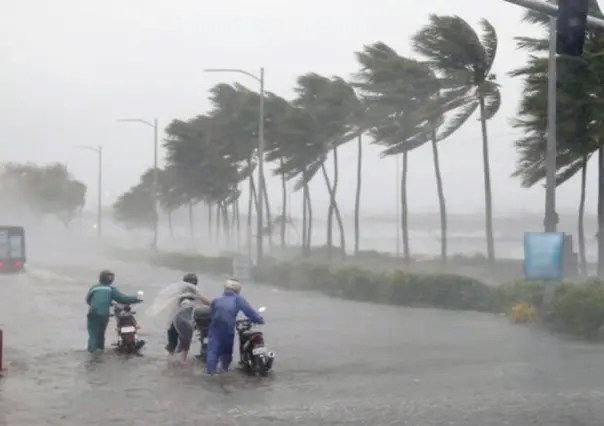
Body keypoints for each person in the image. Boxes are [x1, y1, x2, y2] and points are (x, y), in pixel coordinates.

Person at [206, 278, 264, 375]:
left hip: (215, 328)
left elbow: (211, 315)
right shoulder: (238, 299)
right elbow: (249, 312)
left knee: (213, 351)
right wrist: (259, 320)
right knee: (226, 352)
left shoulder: (216, 299)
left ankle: (211, 373)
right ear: (237, 289)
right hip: (228, 329)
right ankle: (224, 372)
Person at [85, 270, 142, 353]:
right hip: (104, 314)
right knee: (101, 333)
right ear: (111, 280)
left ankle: (92, 351)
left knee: (93, 333)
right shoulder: (110, 289)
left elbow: (88, 300)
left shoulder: (94, 288)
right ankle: (99, 350)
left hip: (93, 313)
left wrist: (97, 305)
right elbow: (123, 299)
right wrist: (135, 299)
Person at [165, 273, 210, 354]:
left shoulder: (179, 291)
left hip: (174, 319)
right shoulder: (193, 292)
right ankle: (180, 360)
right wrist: (215, 305)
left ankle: (171, 360)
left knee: (173, 342)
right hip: (183, 320)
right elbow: (204, 301)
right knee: (183, 342)